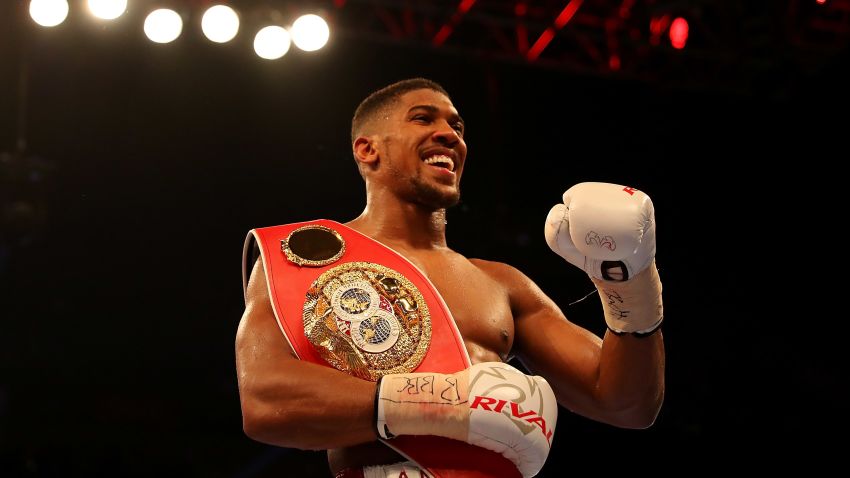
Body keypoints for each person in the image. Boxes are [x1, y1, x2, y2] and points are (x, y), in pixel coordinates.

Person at [235, 78, 665, 478]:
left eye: (456, 125)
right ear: (368, 150)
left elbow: (626, 404)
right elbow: (265, 399)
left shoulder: (501, 283)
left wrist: (630, 282)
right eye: (423, 118)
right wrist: (441, 403)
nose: (449, 134)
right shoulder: (304, 259)